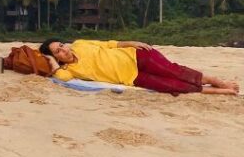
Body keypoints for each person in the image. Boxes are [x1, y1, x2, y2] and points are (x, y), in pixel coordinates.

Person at [40, 38, 239, 95]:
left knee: (173, 71)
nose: (63, 50)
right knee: (169, 86)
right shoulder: (67, 71)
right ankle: (218, 91)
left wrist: (132, 43)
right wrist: (52, 63)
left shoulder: (80, 44)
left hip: (135, 56)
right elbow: (61, 78)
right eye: (57, 52)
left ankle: (214, 80)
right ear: (55, 58)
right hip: (132, 78)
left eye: (61, 46)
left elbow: (110, 44)